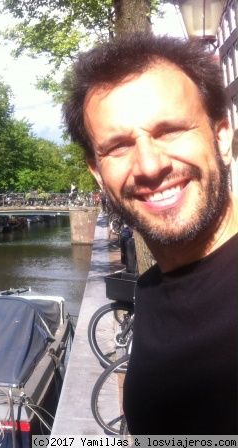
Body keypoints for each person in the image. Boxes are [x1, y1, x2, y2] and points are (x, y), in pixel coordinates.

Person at [62, 34, 237, 434]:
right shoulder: (153, 286)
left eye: (170, 130)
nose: (149, 165)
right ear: (98, 173)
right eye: (119, 146)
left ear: (222, 137)